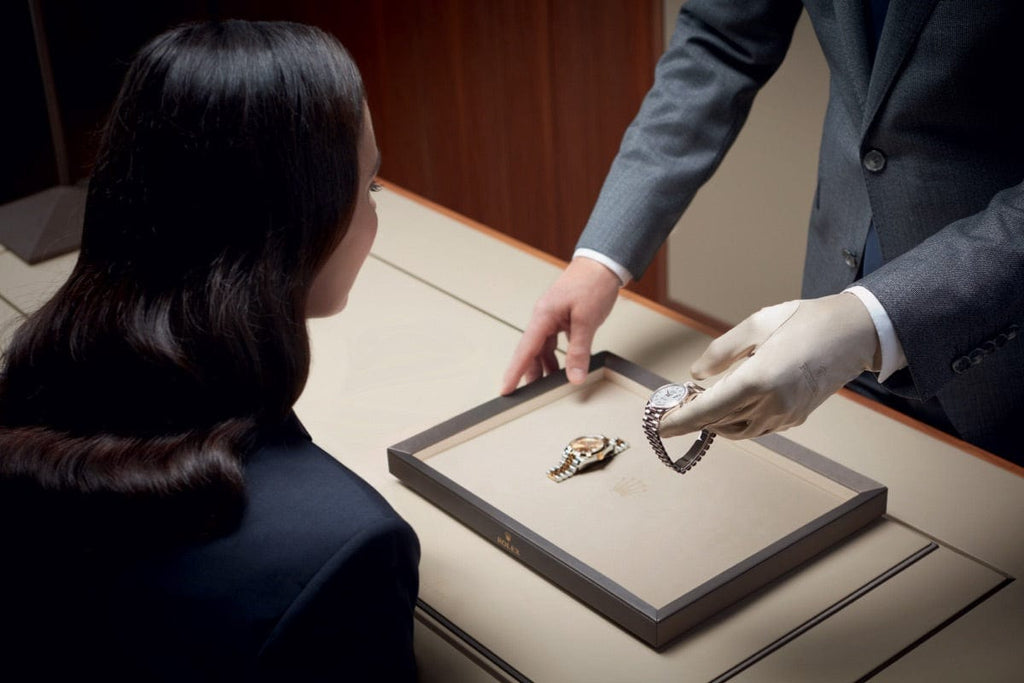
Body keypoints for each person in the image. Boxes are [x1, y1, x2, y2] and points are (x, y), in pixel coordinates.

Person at [0, 20, 419, 680]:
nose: (373, 215)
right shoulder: (348, 549)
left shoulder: (28, 396)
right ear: (297, 224)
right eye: (367, 186)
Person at [502, 0, 1023, 464]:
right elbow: (719, 42)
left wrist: (867, 320)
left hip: (1005, 353)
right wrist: (602, 258)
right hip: (831, 300)